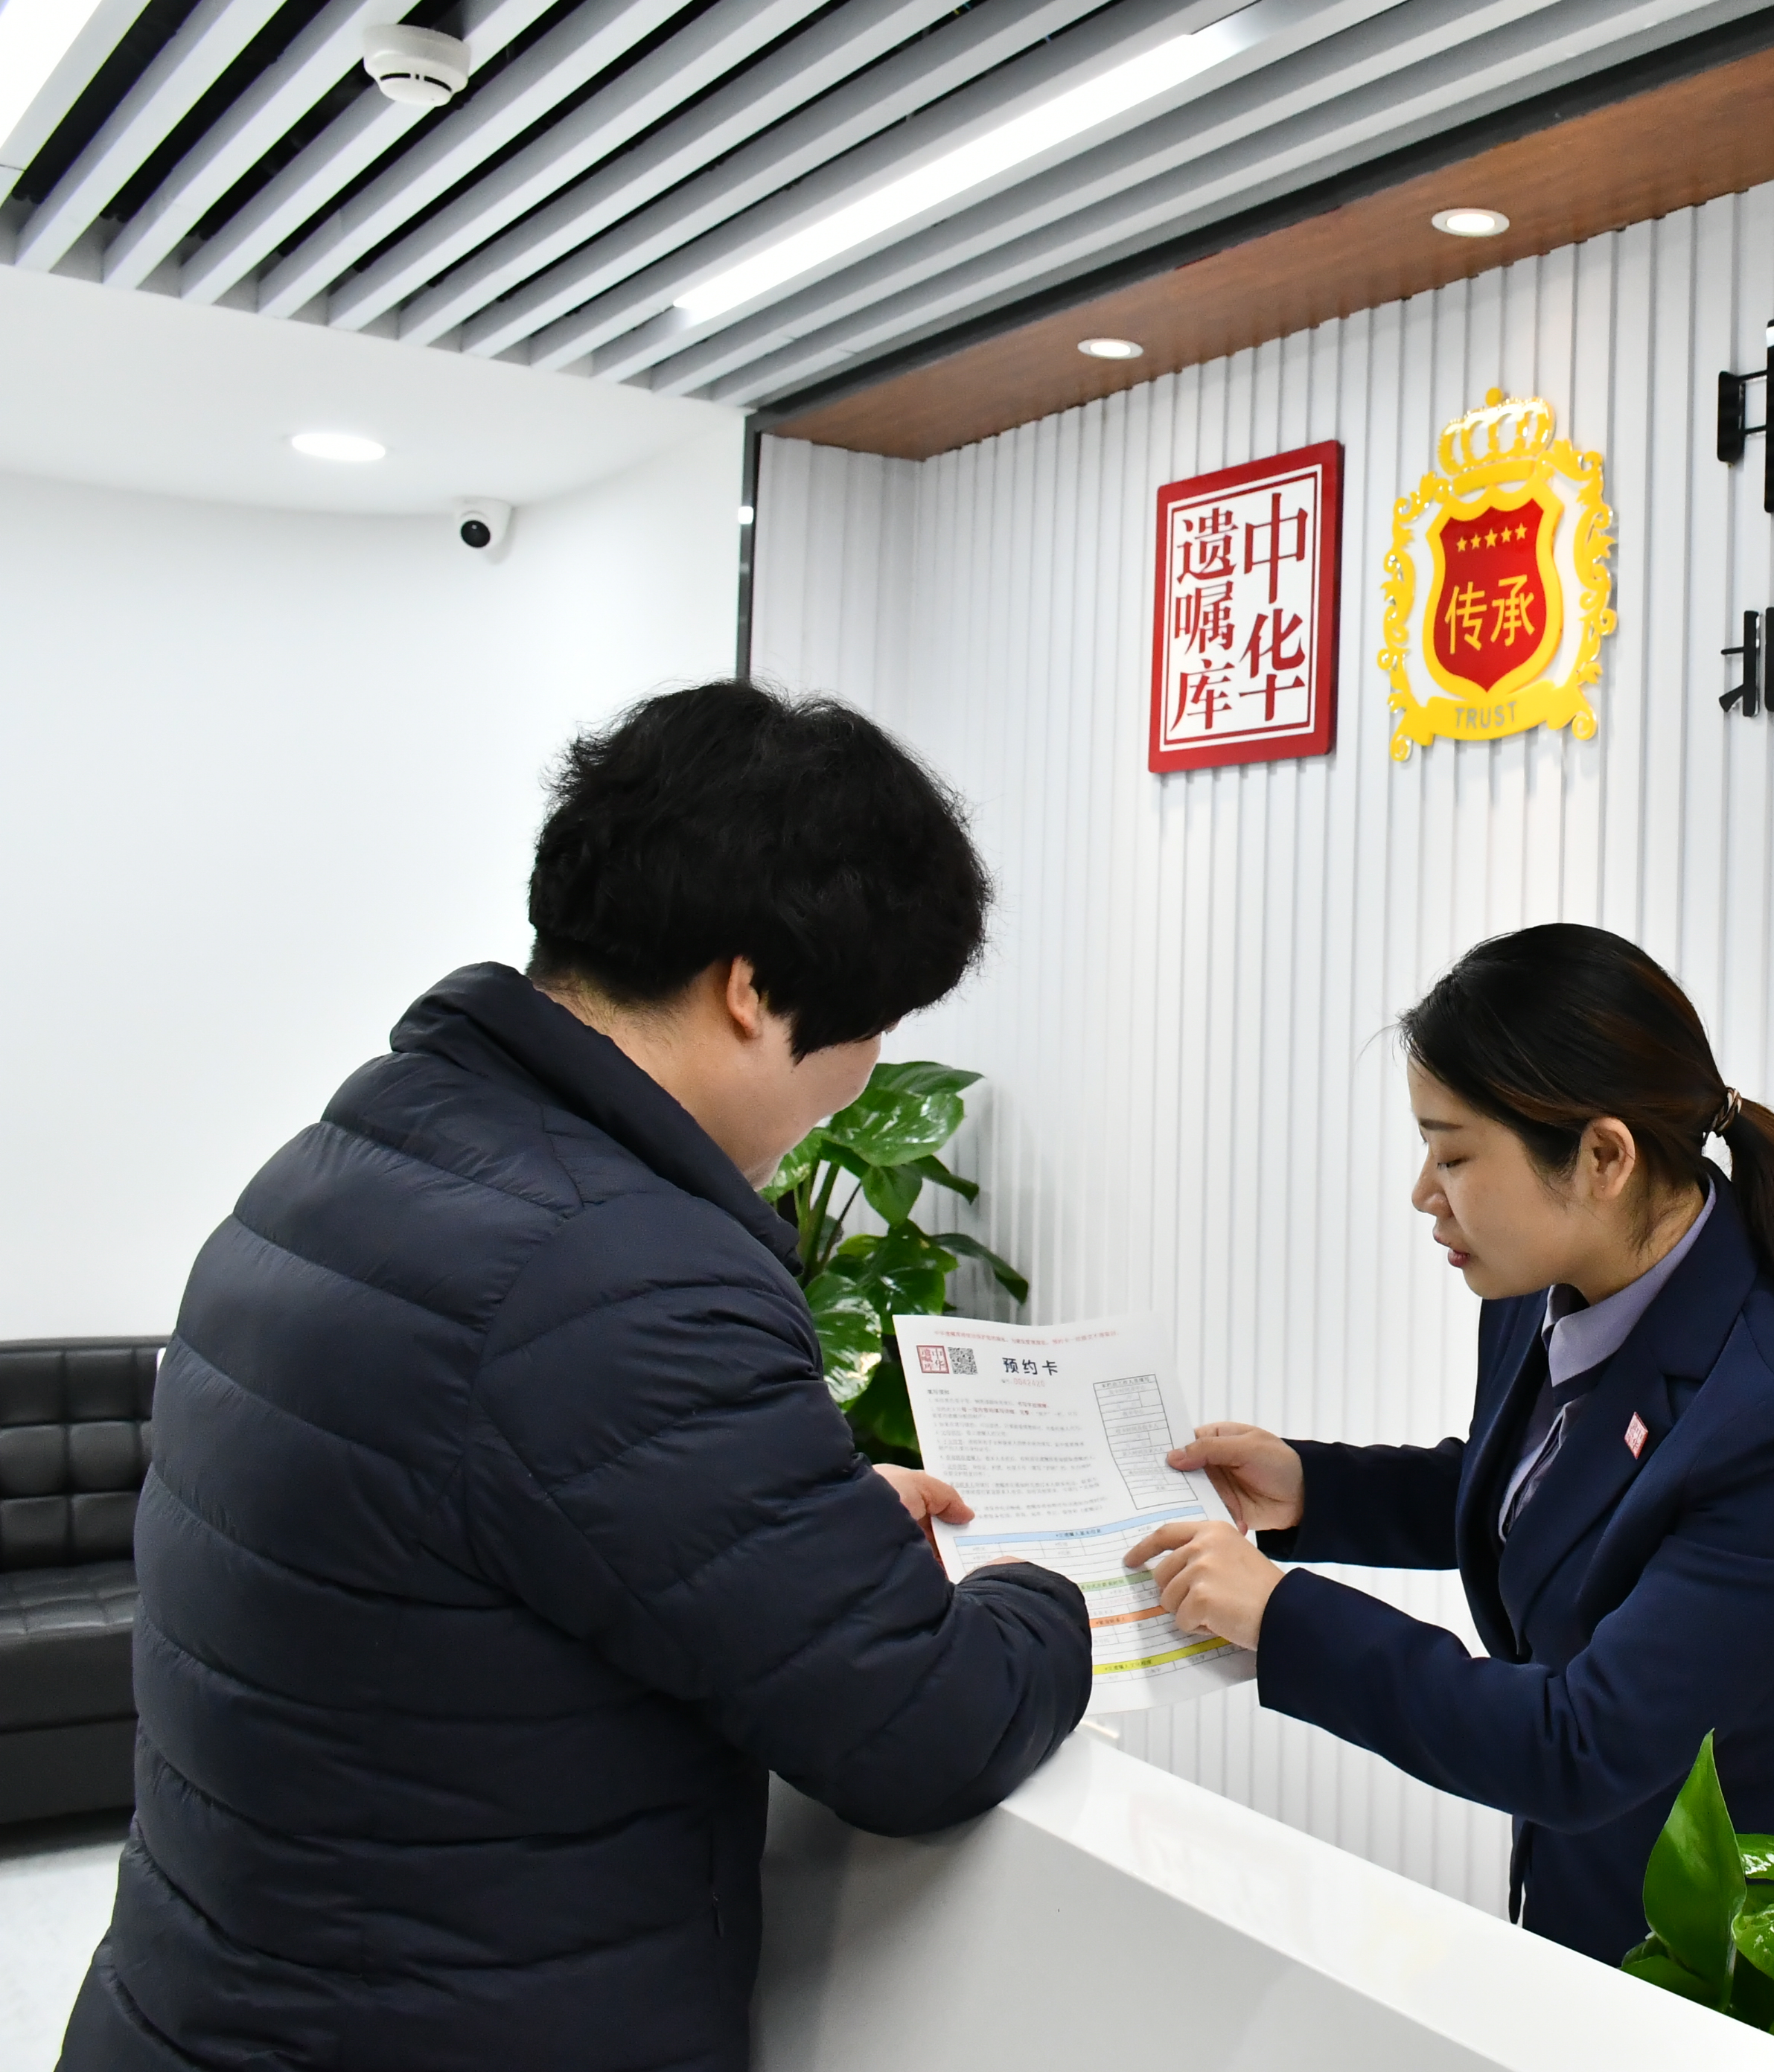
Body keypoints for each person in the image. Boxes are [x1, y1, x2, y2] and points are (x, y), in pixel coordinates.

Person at [63, 682, 1094, 2072]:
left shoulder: (343, 1165)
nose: (860, 1079)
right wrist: (1036, 1582)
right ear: (752, 991)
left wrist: (813, 1528)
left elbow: (500, 1526)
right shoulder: (628, 1273)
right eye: (872, 1029)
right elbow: (926, 1730)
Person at [1129, 922, 1774, 1961]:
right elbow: (1549, 1500)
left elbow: (1582, 1744)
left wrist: (1284, 1617)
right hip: (1596, 1895)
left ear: (1603, 1157)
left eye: (1454, 1154)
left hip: (1764, 1954)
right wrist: (1312, 1491)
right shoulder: (1547, 1282)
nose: (1424, 1193)